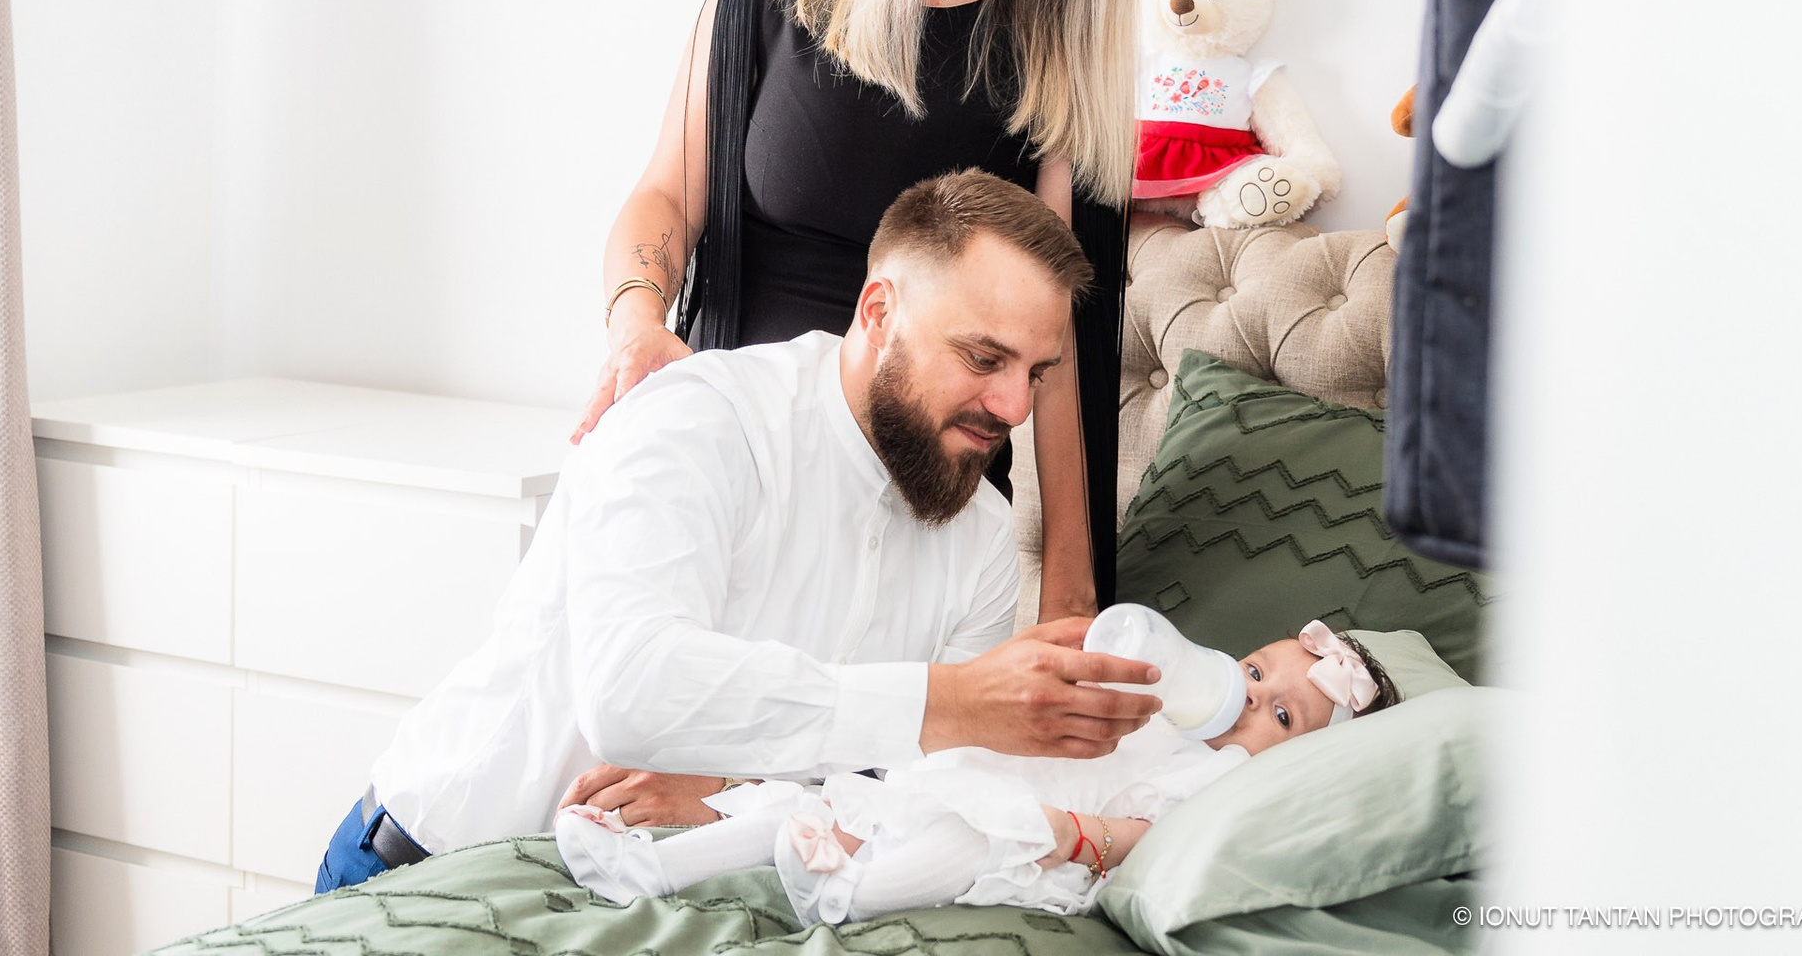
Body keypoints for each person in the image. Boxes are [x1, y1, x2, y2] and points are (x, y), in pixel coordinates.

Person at [313, 172, 1164, 894]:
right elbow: (632, 689)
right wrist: (948, 702)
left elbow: (912, 794)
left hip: (630, 904)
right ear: (879, 312)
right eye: (983, 359)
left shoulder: (980, 534)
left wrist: (732, 787)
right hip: (431, 863)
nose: (1014, 407)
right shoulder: (700, 419)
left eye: (1035, 373)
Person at [569, 0, 1141, 626]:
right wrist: (636, 320)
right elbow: (667, 195)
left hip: (907, 514)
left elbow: (1064, 346)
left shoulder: (1058, 74)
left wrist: (1071, 596)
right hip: (731, 460)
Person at [557, 622, 1402, 926]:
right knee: (809, 809)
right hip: (972, 780)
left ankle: (852, 895)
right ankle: (648, 870)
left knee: (967, 834)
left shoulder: (1221, 787)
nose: (1251, 698)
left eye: (1282, 717)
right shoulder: (1162, 708)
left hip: (1040, 844)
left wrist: (1071, 834)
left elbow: (1143, 837)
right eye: (1255, 672)